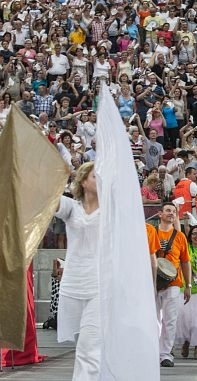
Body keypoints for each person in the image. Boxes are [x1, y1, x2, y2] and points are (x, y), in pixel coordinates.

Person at [55, 162, 101, 380]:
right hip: (73, 284)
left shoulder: (111, 210)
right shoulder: (71, 207)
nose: (99, 180)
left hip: (99, 286)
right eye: (94, 176)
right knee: (84, 344)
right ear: (83, 181)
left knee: (89, 345)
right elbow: (51, 203)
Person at [155, 202, 192, 368]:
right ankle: (152, 350)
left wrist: (188, 285)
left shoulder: (180, 236)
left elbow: (185, 261)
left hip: (174, 282)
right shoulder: (150, 232)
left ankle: (165, 354)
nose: (171, 213)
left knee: (170, 320)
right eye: (168, 210)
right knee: (153, 319)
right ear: (160, 214)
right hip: (152, 281)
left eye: (174, 211)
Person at [176, 225, 197, 360]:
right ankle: (186, 342)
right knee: (184, 321)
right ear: (190, 236)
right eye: (194, 233)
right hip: (185, 289)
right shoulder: (186, 247)